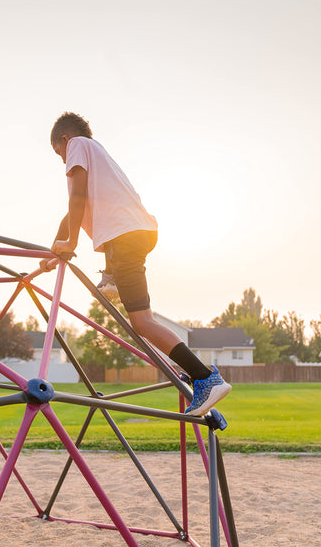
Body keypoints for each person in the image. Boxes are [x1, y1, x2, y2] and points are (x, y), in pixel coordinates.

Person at [40, 112, 231, 416]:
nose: (62, 160)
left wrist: (71, 243)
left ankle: (206, 378)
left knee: (141, 322)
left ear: (65, 139)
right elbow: (74, 211)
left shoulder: (77, 144)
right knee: (139, 312)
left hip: (126, 236)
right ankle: (111, 277)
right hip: (134, 233)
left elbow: (75, 198)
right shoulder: (99, 157)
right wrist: (55, 248)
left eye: (58, 153)